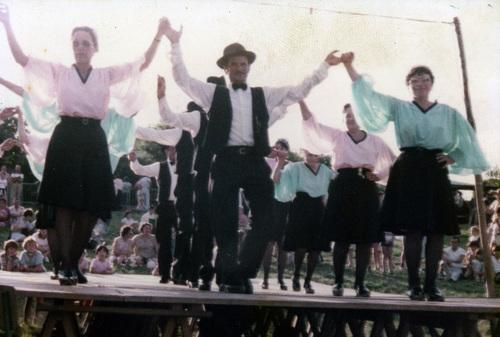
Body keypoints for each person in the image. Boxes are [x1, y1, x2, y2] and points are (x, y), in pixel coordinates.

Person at [163, 21, 342, 294]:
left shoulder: (263, 95)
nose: (240, 68)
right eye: (234, 64)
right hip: (225, 161)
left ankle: (243, 272)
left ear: (249, 67)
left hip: (254, 162)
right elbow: (183, 80)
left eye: (244, 63)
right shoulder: (215, 93)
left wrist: (324, 66)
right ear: (226, 68)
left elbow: (297, 90)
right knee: (224, 221)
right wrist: (175, 43)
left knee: (267, 218)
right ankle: (226, 275)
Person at [0, 3, 169, 285]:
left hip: (93, 139)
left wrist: (158, 34)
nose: (80, 47)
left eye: (86, 43)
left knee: (91, 207)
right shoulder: (60, 72)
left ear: (95, 48)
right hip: (65, 136)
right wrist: (6, 23)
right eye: (76, 43)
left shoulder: (105, 75)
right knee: (64, 206)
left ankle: (72, 260)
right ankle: (67, 266)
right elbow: (21, 59)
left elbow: (142, 63)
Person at [342, 52, 489, 301]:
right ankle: (413, 286)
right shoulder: (400, 107)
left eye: (424, 79)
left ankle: (432, 286)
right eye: (414, 80)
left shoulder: (447, 112)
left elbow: (468, 138)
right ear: (409, 85)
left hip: (434, 170)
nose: (420, 84)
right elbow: (369, 96)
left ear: (431, 83)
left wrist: (453, 157)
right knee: (413, 231)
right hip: (409, 169)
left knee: (436, 231)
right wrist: (349, 65)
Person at [300, 100, 395, 297]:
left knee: (365, 240)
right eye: (347, 115)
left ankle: (360, 284)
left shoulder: (376, 140)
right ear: (343, 119)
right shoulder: (338, 136)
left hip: (365, 187)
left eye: (354, 114)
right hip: (342, 186)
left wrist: (378, 175)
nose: (350, 118)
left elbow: (394, 161)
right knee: (341, 239)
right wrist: (301, 99)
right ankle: (338, 282)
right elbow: (312, 124)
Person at [274, 148, 334, 294]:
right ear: (304, 153)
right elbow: (275, 179)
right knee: (301, 245)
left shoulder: (326, 170)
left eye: (315, 154)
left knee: (315, 248)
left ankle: (308, 281)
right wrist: (280, 162)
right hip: (301, 206)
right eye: (309, 154)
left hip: (318, 208)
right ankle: (296, 277)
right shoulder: (295, 168)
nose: (312, 157)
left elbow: (333, 186)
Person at [130, 148, 178, 283]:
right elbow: (140, 170)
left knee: (183, 240)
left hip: (182, 206)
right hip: (164, 207)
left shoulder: (188, 165)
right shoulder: (159, 166)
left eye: (176, 149)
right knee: (164, 242)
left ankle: (180, 272)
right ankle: (164, 273)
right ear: (166, 151)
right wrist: (134, 160)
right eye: (171, 149)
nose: (174, 152)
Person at [261, 139, 291, 291]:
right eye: (276, 147)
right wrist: (279, 162)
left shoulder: (291, 166)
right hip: (271, 205)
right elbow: (274, 180)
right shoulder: (266, 162)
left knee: (283, 246)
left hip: (286, 206)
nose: (278, 150)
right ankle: (265, 278)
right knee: (269, 244)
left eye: (282, 148)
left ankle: (280, 278)